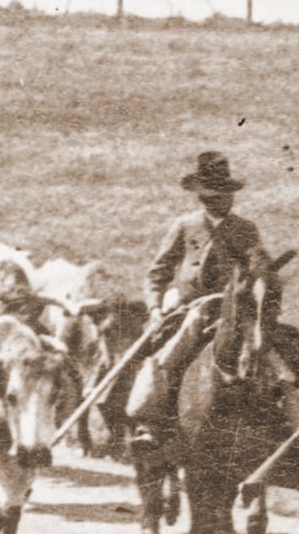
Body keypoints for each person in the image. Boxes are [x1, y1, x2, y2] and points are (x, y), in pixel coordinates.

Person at [108, 148, 278, 422]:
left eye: (227, 193)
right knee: (167, 356)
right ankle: (150, 420)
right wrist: (154, 307)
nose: (225, 200)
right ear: (203, 197)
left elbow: (261, 271)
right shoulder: (185, 226)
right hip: (192, 308)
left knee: (282, 352)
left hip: (235, 308)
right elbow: (158, 272)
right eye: (217, 195)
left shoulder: (245, 229)